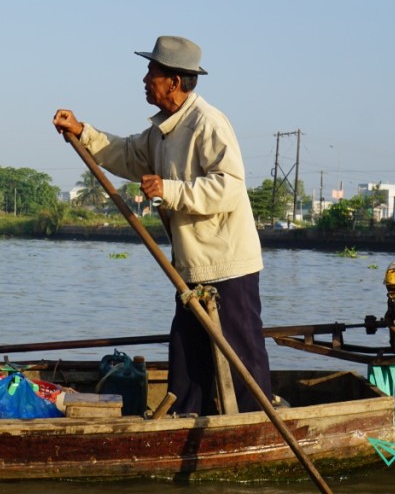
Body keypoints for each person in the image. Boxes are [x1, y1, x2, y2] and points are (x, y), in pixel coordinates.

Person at [52, 35, 272, 415]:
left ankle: (256, 424)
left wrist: (169, 190)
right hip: (190, 270)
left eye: (151, 72)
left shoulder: (207, 123)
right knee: (187, 360)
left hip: (227, 266)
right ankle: (184, 422)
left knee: (241, 360)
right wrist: (82, 132)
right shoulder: (163, 131)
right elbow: (126, 153)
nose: (144, 79)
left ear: (173, 81)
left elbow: (230, 187)